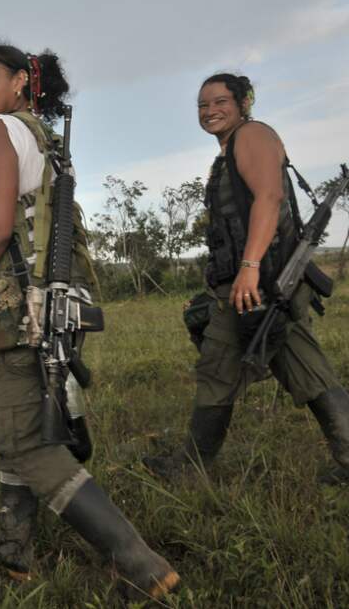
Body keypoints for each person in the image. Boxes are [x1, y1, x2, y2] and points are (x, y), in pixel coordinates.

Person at [0, 44, 179, 599]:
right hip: (55, 303)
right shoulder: (43, 138)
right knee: (15, 425)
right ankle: (15, 548)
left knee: (29, 444)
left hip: (21, 311)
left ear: (20, 81)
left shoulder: (0, 133)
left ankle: (141, 565)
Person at [143, 73, 349, 483]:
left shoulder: (251, 135)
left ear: (243, 104)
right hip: (268, 284)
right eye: (202, 105)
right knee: (308, 370)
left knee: (218, 368)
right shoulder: (232, 148)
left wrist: (250, 268)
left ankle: (191, 468)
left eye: (220, 101)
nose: (209, 111)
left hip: (260, 284)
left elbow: (269, 197)